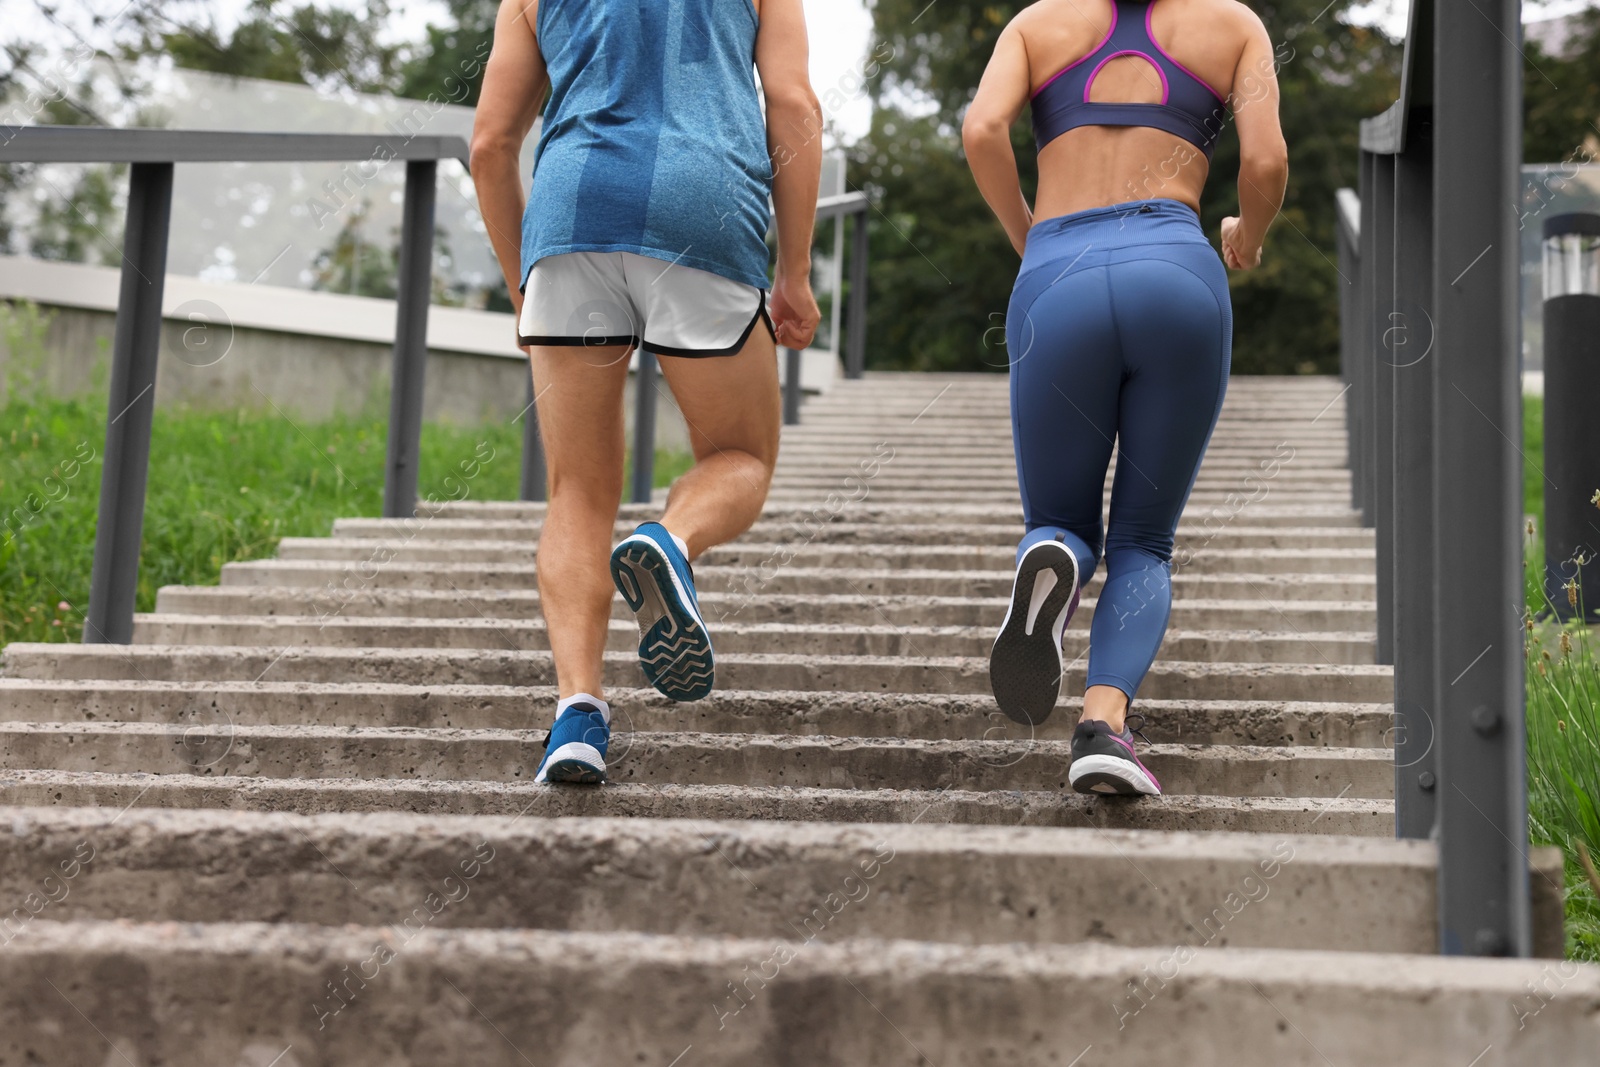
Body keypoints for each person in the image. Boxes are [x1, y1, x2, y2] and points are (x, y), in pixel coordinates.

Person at [471, 0, 823, 784]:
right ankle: (671, 540)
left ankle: (577, 713)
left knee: (577, 491)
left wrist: (519, 284)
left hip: (571, 212)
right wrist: (793, 270)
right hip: (703, 210)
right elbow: (793, 105)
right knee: (739, 455)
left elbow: (492, 145)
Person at [964, 0, 1288, 795]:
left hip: (1056, 280)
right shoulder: (1233, 25)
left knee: (1059, 517)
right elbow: (1268, 164)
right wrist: (1250, 231)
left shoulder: (1038, 23)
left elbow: (981, 130)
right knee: (1143, 539)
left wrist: (1027, 233)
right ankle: (1103, 725)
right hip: (1175, 271)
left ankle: (1057, 560)